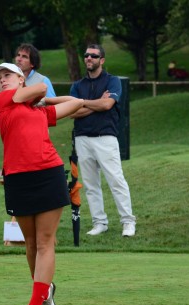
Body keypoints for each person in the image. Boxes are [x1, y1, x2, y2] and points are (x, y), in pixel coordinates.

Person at [0, 62, 85, 305]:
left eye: (7, 75)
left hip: (48, 173)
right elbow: (40, 86)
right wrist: (37, 95)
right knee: (30, 244)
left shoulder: (38, 112)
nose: (2, 81)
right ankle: (45, 293)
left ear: (21, 79)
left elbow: (76, 102)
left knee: (44, 242)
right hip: (17, 177)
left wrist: (43, 102)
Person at [69, 44, 137, 237]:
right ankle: (100, 223)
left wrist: (83, 103)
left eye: (93, 55)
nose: (89, 58)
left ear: (102, 60)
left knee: (116, 180)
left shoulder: (112, 81)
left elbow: (108, 104)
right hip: (82, 138)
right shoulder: (77, 85)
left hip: (105, 138)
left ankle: (128, 222)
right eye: (86, 55)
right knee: (90, 184)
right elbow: (72, 112)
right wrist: (95, 103)